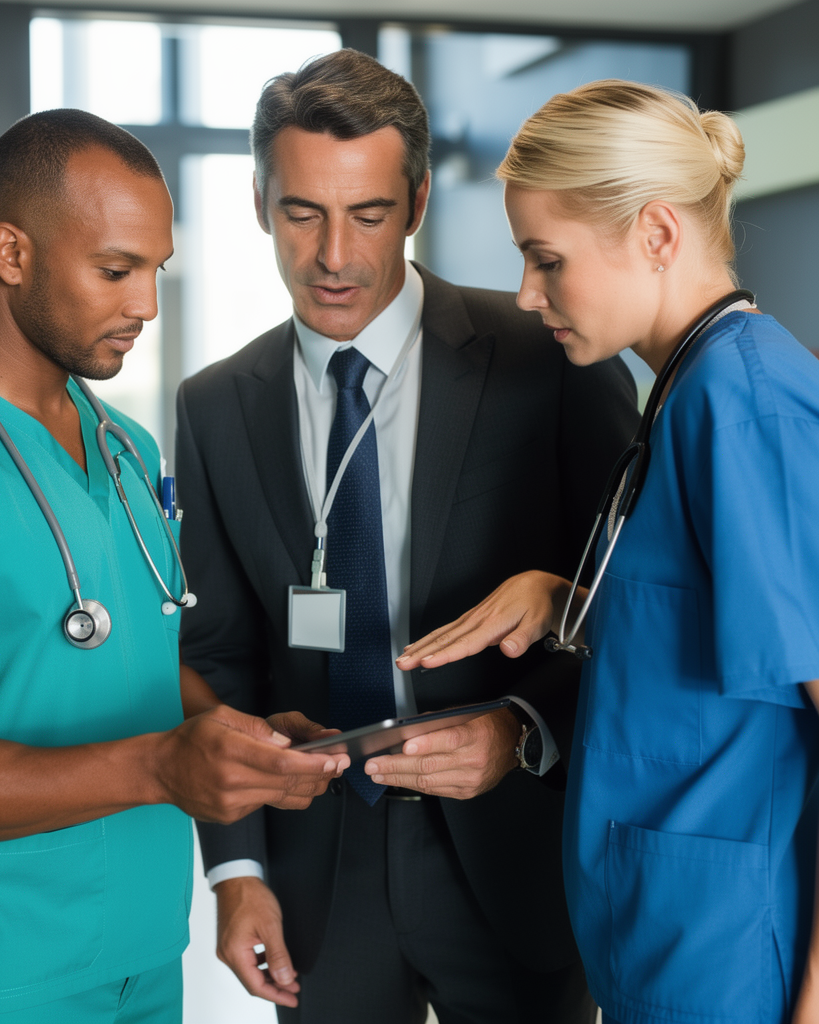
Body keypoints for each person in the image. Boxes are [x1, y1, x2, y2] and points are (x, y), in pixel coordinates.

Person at [0, 108, 347, 1024]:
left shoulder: (124, 447)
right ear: (11, 254)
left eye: (157, 270)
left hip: (137, 952)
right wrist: (161, 768)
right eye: (115, 270)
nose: (147, 306)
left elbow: (125, 662)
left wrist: (240, 733)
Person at [175, 50, 639, 1024]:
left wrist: (519, 731)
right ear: (259, 203)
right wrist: (237, 868)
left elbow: (626, 603)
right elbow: (218, 653)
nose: (334, 255)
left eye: (369, 215)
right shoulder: (214, 405)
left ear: (418, 201)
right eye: (302, 212)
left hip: (517, 855)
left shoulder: (545, 356)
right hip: (315, 876)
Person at [397, 80, 819, 1024]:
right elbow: (712, 613)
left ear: (658, 234)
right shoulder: (683, 387)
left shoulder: (746, 402)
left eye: (548, 260)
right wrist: (568, 596)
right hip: (658, 935)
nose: (525, 293)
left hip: (729, 959)